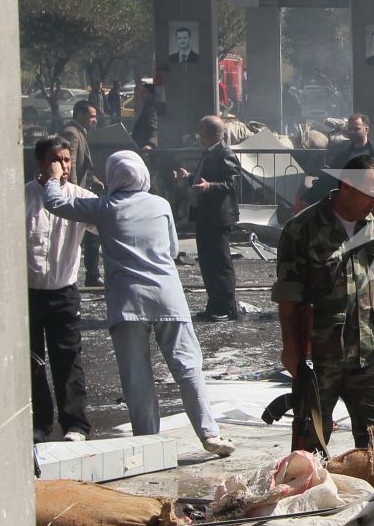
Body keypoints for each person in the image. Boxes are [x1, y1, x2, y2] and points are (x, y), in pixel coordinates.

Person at [41, 150, 237, 455]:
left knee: (137, 378)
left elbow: (56, 203)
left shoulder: (104, 207)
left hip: (127, 303)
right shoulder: (161, 205)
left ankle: (149, 442)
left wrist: (53, 179)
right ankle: (209, 433)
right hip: (168, 298)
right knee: (188, 368)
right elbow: (172, 249)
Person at [272, 154, 374, 446]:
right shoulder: (302, 228)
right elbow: (289, 295)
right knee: (310, 440)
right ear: (347, 187)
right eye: (371, 193)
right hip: (322, 354)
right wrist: (291, 349)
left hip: (370, 352)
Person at [27, 136, 93, 445]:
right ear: (41, 163)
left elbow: (107, 223)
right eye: (56, 160)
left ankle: (75, 424)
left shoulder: (79, 198)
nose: (63, 166)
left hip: (64, 291)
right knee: (32, 360)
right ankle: (39, 422)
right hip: (29, 292)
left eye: (67, 160)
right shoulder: (24, 197)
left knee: (68, 358)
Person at [174, 115, 244, 320]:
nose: (198, 136)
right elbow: (202, 180)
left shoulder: (225, 154)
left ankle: (225, 307)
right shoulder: (208, 153)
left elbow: (232, 184)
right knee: (207, 263)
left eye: (202, 132)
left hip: (218, 216)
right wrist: (188, 177)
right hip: (205, 215)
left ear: (212, 134)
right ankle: (214, 305)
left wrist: (209, 187)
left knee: (220, 263)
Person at [58, 100, 104, 287]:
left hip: (83, 191)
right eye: (92, 116)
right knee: (89, 236)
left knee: (89, 236)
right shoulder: (72, 133)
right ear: (80, 115)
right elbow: (72, 165)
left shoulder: (79, 132)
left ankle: (91, 274)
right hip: (77, 195)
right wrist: (75, 192)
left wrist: (94, 181)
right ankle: (90, 275)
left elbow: (84, 166)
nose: (94, 121)